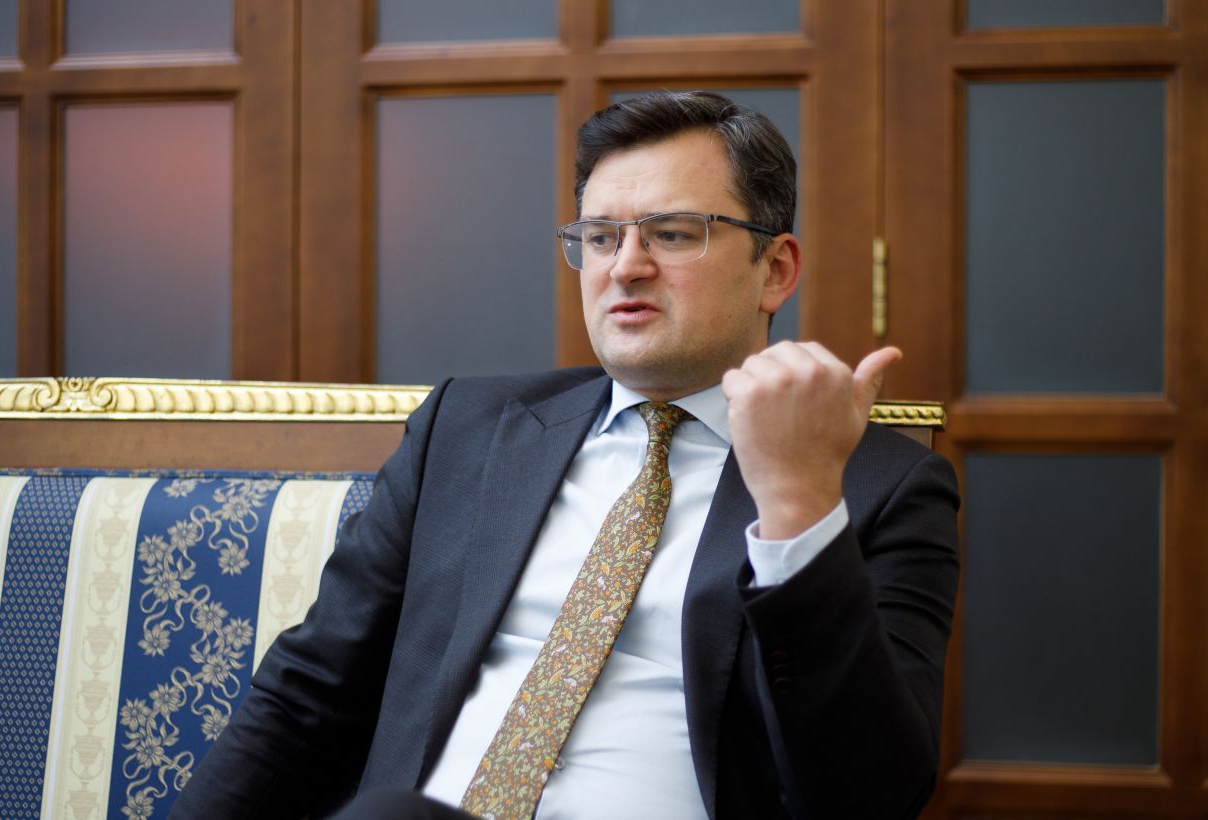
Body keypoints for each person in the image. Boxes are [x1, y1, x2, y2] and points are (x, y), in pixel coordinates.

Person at [173, 91, 959, 819]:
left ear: (775, 270)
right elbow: (308, 696)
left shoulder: (880, 487)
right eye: (601, 237)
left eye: (672, 233)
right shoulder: (468, 428)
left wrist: (796, 502)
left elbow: (871, 797)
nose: (625, 266)